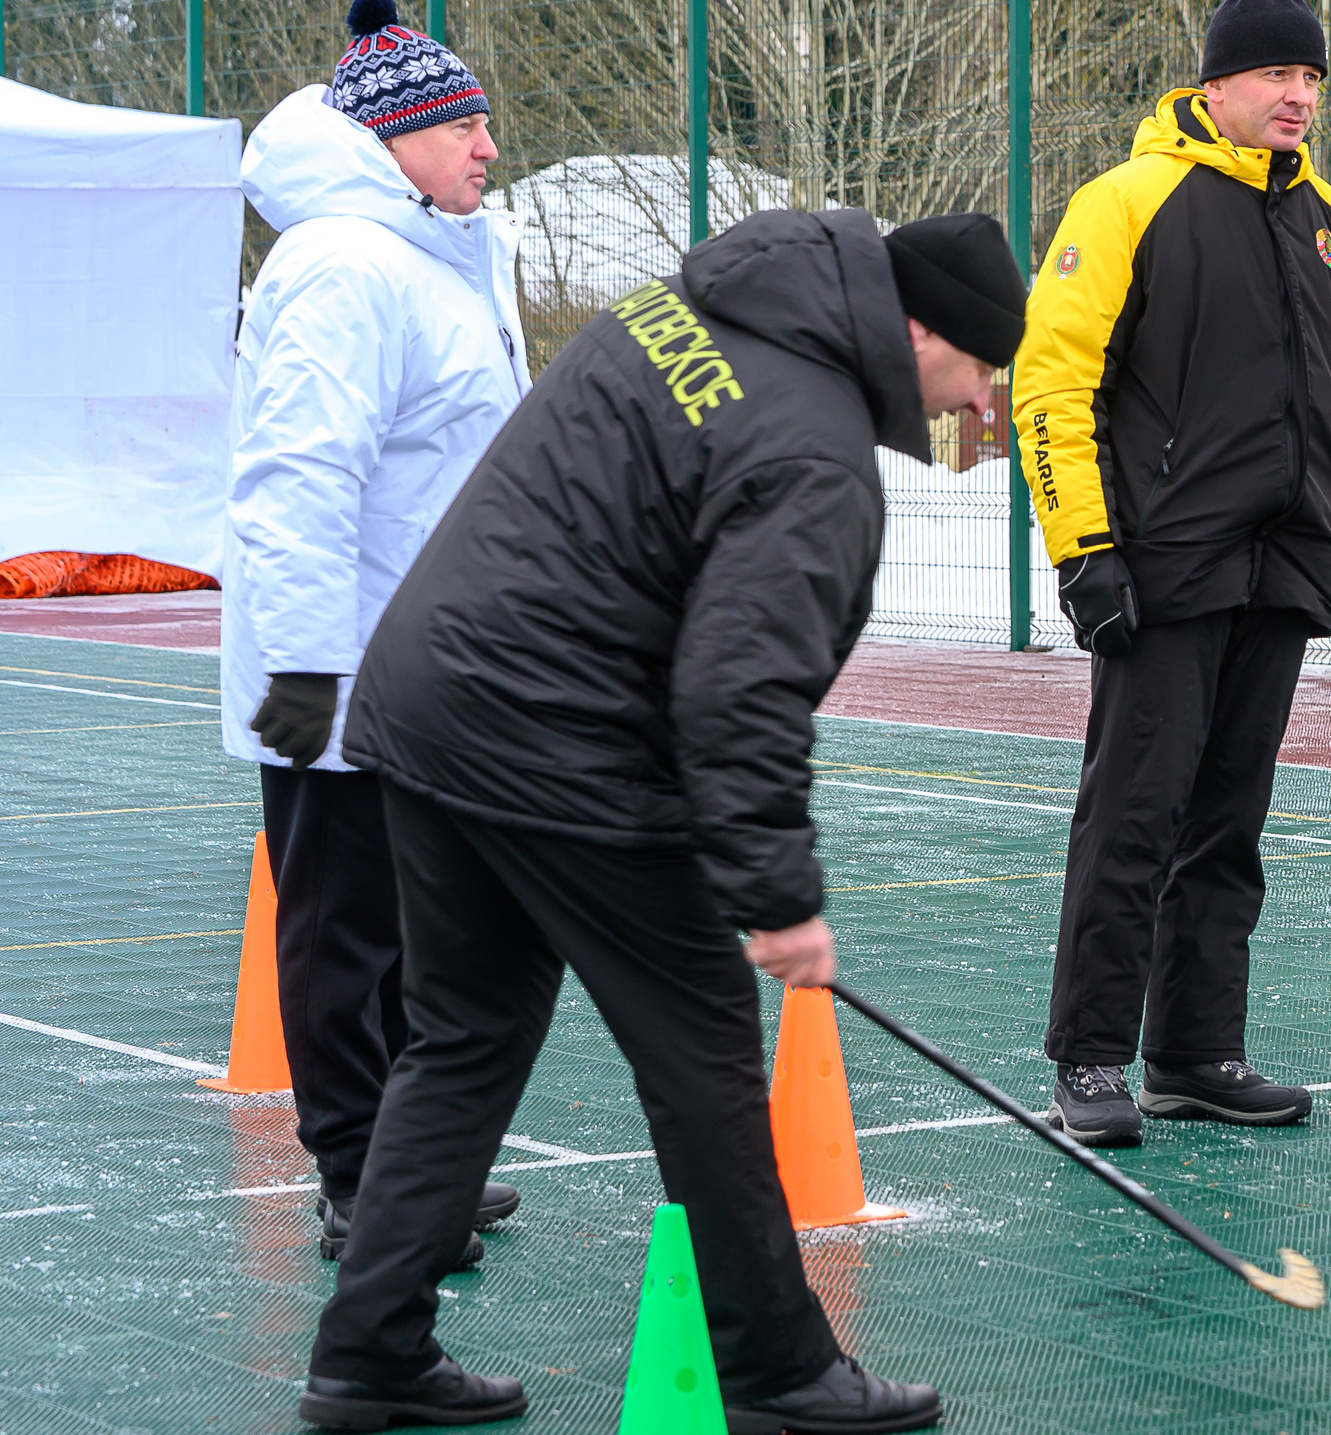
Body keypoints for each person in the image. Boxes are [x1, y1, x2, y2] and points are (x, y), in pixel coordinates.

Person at [296, 208, 1025, 1433]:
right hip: (556, 741)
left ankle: (368, 1351)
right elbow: (737, 686)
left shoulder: (700, 306)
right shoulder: (815, 453)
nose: (984, 398)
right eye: (980, 365)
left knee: (462, 1038)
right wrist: (777, 895)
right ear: (915, 334)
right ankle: (778, 1371)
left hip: (433, 699)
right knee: (704, 1066)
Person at [1011, 0, 1331, 1148]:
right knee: (1132, 815)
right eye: (1275, 77)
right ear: (1215, 88)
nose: (1298, 96)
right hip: (1163, 569)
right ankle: (1090, 1058)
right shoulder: (1127, 202)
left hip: (1285, 568)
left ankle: (1195, 1053)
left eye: (1311, 79)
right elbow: (1055, 386)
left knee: (1228, 825)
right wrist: (1086, 551)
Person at [222, 0, 527, 1265]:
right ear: (396, 137)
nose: (487, 147)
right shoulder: (345, 269)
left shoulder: (445, 254)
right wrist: (304, 672)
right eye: (464, 124)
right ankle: (362, 1175)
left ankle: (415, 1163)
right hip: (345, 677)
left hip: (436, 673)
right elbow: (298, 481)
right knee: (348, 933)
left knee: (425, 934)